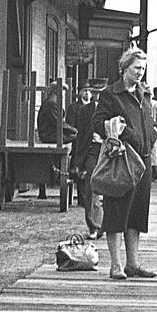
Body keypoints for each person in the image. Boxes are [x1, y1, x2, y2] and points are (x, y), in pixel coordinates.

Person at [92, 47, 157, 280]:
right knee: (116, 211)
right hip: (122, 161)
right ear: (124, 68)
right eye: (136, 68)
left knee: (137, 213)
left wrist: (152, 135)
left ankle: (133, 264)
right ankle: (116, 265)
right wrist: (122, 131)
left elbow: (152, 122)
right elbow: (98, 122)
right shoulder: (111, 94)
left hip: (143, 162)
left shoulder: (145, 93)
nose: (140, 72)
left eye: (142, 68)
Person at [68, 81, 105, 236]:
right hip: (91, 151)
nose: (97, 95)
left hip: (109, 151)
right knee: (91, 188)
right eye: (94, 92)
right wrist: (78, 162)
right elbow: (81, 137)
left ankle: (106, 225)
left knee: (108, 188)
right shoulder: (85, 111)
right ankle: (94, 226)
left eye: (100, 92)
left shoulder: (113, 109)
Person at [33, 80, 75, 200]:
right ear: (57, 90)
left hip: (50, 133)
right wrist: (74, 130)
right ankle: (73, 169)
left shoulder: (53, 101)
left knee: (74, 137)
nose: (63, 93)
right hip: (50, 136)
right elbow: (58, 123)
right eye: (62, 90)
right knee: (77, 139)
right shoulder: (53, 102)